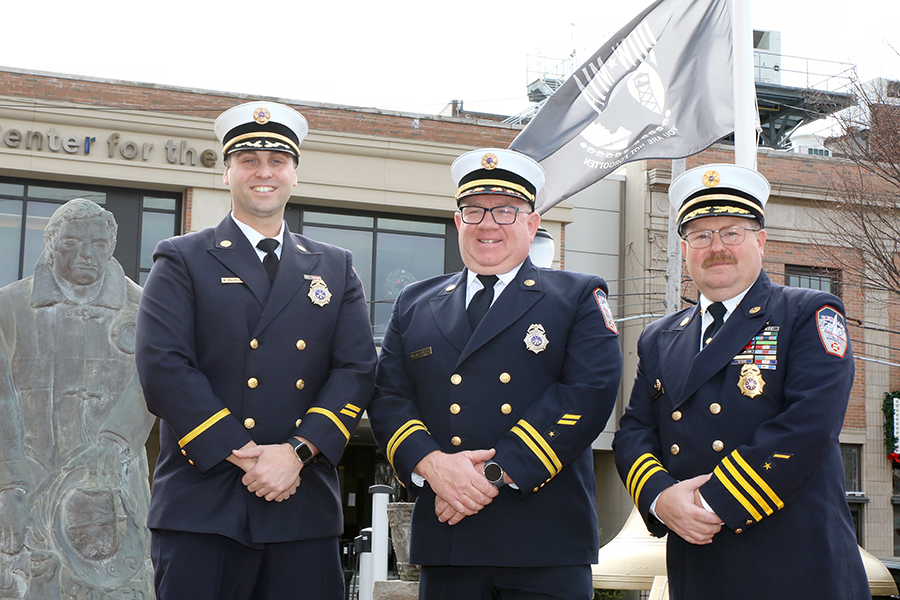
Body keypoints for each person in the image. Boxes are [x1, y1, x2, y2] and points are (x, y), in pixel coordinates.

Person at [135, 101, 377, 600]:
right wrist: (246, 455)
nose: (263, 173)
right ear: (227, 173)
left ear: (293, 174)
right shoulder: (182, 258)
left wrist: (295, 453)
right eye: (248, 160)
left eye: (277, 162)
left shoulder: (335, 266)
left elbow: (356, 370)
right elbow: (163, 367)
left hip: (302, 504)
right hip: (204, 505)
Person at [368, 148, 622, 600]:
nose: (488, 224)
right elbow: (388, 398)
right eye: (473, 210)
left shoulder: (577, 295)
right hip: (448, 540)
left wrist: (491, 475)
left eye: (506, 210)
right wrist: (433, 466)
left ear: (532, 223)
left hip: (544, 538)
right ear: (457, 220)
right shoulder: (414, 301)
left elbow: (588, 393)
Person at [613, 163, 869, 599]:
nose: (717, 247)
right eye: (701, 235)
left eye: (731, 232)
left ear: (761, 241)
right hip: (698, 563)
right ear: (685, 248)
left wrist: (708, 503)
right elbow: (635, 430)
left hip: (794, 564)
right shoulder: (660, 337)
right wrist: (661, 499)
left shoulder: (807, 314)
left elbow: (809, 425)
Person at [0, 198, 155, 599]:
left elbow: (152, 384)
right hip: (30, 480)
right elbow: (2, 401)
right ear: (50, 244)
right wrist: (10, 487)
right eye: (72, 242)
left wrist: (114, 443)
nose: (87, 254)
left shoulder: (147, 309)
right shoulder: (9, 308)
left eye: (99, 244)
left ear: (112, 246)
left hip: (113, 486)